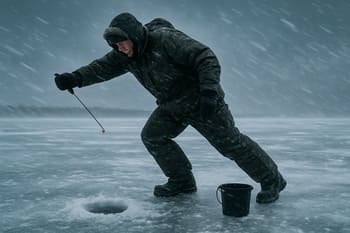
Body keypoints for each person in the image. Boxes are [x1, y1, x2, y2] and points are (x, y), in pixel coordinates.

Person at [54, 12, 286, 203]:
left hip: (203, 101)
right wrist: (74, 78)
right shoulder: (125, 54)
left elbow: (205, 57)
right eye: (115, 46)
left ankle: (272, 180)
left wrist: (208, 92)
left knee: (230, 144)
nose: (120, 49)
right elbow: (100, 68)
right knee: (153, 136)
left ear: (133, 36)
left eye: (122, 43)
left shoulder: (165, 39)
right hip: (172, 105)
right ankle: (182, 182)